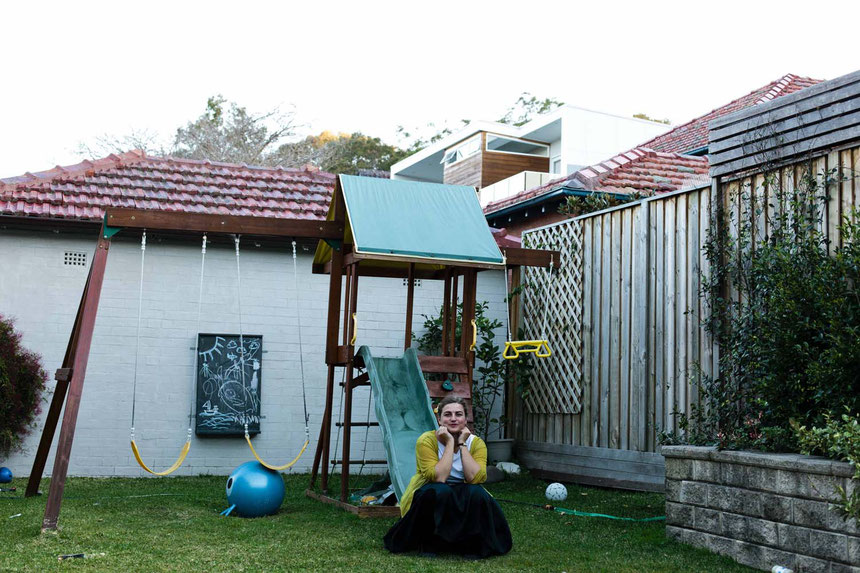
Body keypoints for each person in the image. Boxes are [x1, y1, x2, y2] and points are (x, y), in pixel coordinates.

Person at [383, 395, 513, 558]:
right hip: (433, 491)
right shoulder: (426, 440)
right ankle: (429, 543)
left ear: (465, 419)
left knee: (476, 492)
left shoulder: (476, 443)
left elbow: (475, 478)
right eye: (447, 414)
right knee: (439, 490)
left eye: (458, 414)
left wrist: (462, 443)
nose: (453, 419)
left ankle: (471, 544)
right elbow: (438, 477)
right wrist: (450, 443)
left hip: (462, 491)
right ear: (439, 419)